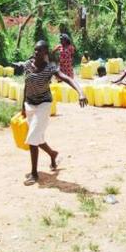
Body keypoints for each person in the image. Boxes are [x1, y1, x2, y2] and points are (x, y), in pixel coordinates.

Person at [22, 41, 87, 186]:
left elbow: (67, 78)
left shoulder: (50, 68)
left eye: (39, 51)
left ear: (45, 53)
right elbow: (26, 85)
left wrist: (81, 93)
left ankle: (34, 174)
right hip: (29, 104)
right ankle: (53, 154)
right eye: (35, 50)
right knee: (36, 137)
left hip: (43, 105)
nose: (36, 53)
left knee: (32, 137)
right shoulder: (27, 65)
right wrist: (22, 106)